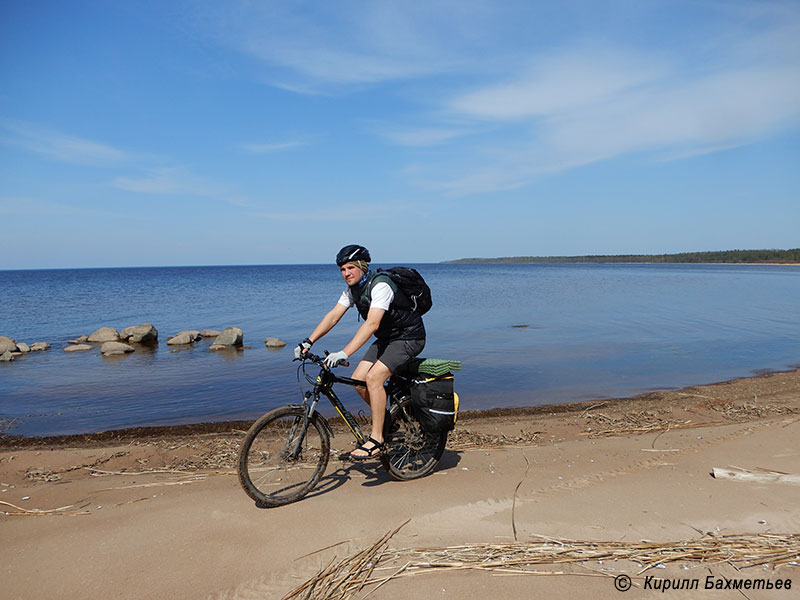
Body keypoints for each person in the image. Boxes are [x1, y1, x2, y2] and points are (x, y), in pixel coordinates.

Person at [294, 244, 425, 460]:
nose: (346, 273)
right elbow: (334, 315)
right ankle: (387, 423)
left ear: (362, 266)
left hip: (409, 337)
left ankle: (377, 439)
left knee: (374, 378)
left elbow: (372, 324)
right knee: (358, 380)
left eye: (350, 268)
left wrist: (344, 353)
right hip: (387, 339)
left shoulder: (380, 285)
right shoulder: (352, 290)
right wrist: (308, 341)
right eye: (342, 269)